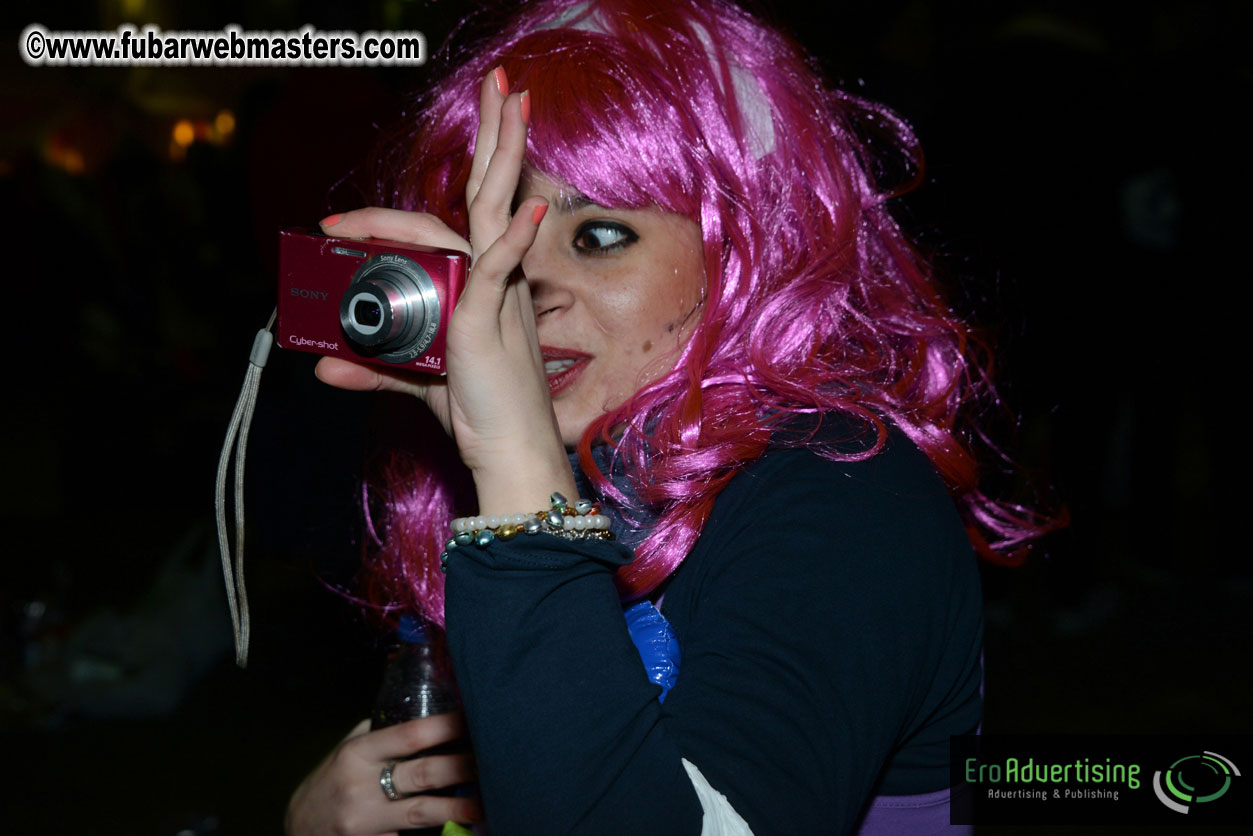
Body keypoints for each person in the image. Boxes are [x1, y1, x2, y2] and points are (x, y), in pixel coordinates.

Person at [285, 0, 1052, 833]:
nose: (517, 288)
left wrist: (514, 466)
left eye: (600, 235)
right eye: (496, 232)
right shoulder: (596, 468)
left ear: (745, 252)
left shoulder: (843, 492)